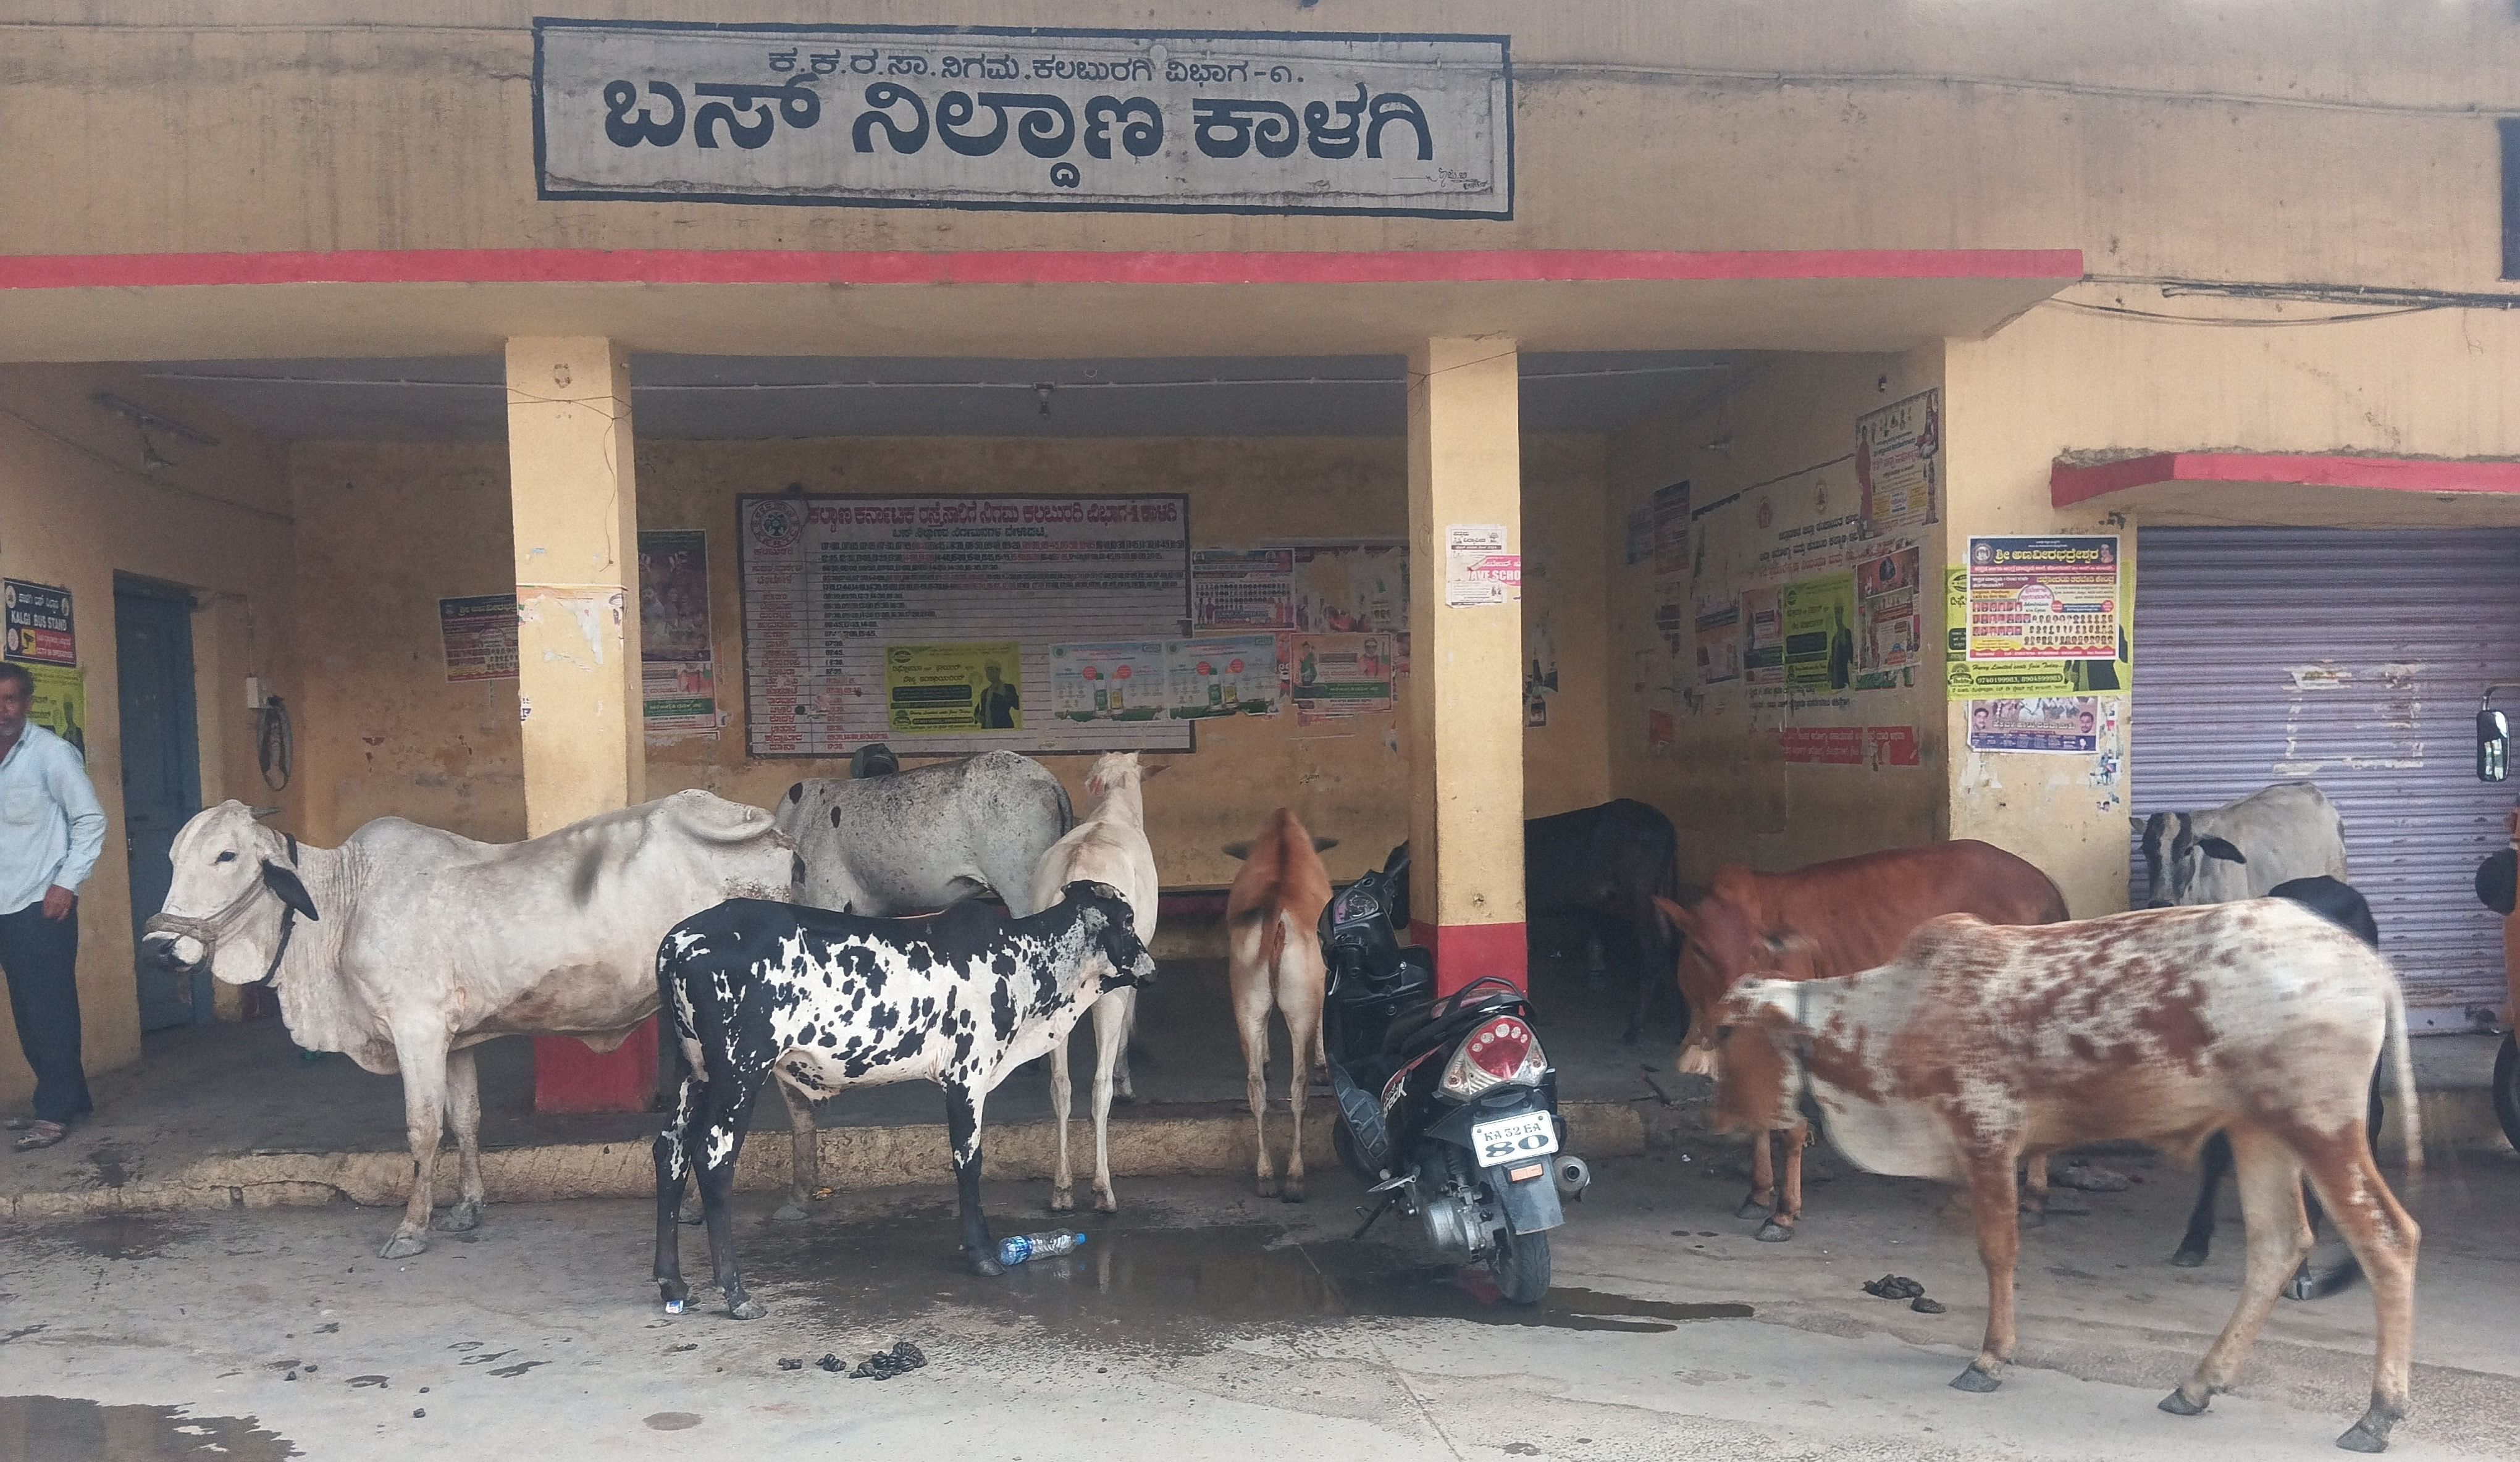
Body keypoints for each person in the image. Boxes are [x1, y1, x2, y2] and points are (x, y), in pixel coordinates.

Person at [0, 660, 106, 1152]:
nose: (3, 710)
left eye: (12, 699)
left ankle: (55, 1108)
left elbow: (90, 821)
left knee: (48, 1010)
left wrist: (66, 883)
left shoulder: (51, 754)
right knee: (26, 1010)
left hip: (39, 904)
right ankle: (71, 1096)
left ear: (27, 702)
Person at [973, 662, 1021, 730]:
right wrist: (979, 717)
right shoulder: (985, 692)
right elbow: (984, 711)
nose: (989, 673)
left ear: (999, 671)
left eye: (992, 670)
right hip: (987, 728)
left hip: (1004, 726)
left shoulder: (1008, 687)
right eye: (987, 672)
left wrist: (1004, 693)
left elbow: (1017, 706)